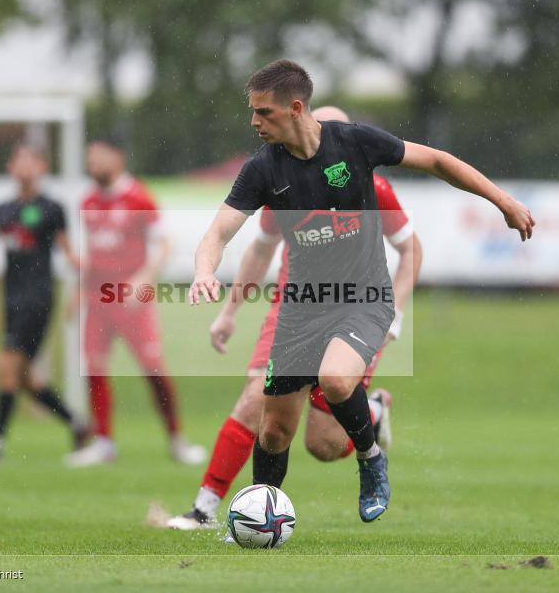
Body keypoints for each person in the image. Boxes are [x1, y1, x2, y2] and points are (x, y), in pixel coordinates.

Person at [189, 60, 534, 523]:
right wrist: (204, 273)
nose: (254, 123)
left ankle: (371, 461)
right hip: (301, 309)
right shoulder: (262, 170)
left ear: (295, 108)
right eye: (252, 112)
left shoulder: (354, 142)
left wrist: (503, 201)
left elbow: (436, 161)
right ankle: (259, 518)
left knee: (334, 380)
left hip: (364, 298)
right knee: (276, 432)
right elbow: (219, 233)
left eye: (263, 113)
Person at [164, 106, 422, 530]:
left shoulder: (373, 187)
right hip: (293, 312)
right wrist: (229, 311)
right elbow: (260, 249)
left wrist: (395, 314)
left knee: (323, 443)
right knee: (254, 403)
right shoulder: (280, 180)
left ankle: (370, 414)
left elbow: (411, 249)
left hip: (354, 311)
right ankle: (205, 509)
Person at [65, 140, 206, 466]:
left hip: (133, 301)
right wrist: (77, 293)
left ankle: (176, 439)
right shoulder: (86, 201)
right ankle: (103, 443)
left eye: (98, 157)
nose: (93, 163)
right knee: (94, 368)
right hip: (98, 299)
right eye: (89, 158)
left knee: (154, 370)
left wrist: (144, 277)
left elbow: (165, 244)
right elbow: (89, 254)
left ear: (118, 157)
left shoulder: (139, 197)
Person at [0, 144, 88, 462]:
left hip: (38, 298)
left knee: (5, 366)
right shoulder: (3, 209)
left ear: (42, 167)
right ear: (10, 168)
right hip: (11, 299)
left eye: (31, 161)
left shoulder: (52, 208)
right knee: (24, 377)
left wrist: (83, 288)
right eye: (19, 160)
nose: (25, 167)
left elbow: (69, 252)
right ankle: (77, 425)